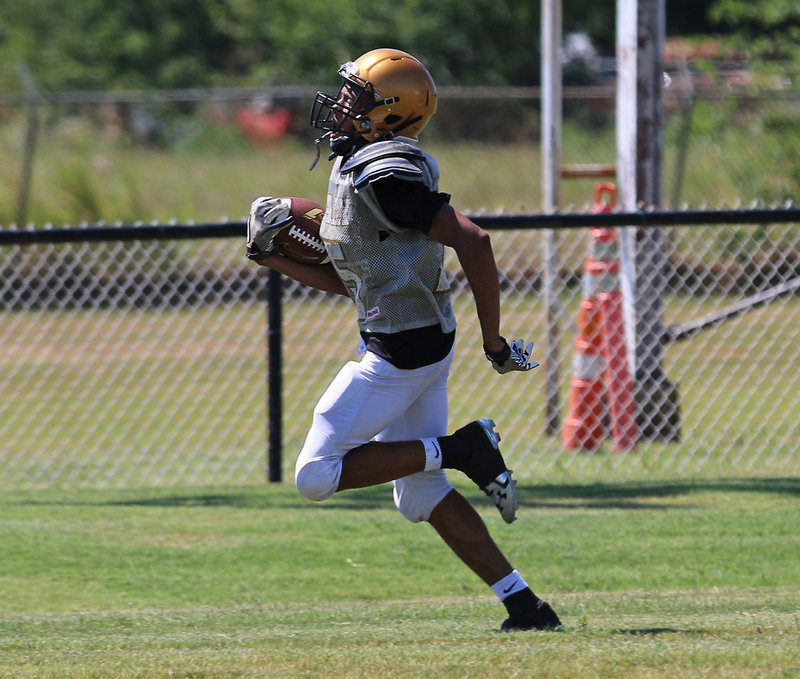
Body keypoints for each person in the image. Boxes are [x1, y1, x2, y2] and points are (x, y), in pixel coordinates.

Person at [245, 48, 561, 632]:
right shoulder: (360, 162)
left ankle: (463, 448)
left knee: (316, 476)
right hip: (418, 339)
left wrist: (495, 343)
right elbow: (355, 281)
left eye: (356, 96)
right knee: (419, 494)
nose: (341, 104)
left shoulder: (385, 173)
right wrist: (275, 259)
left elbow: (475, 241)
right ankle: (526, 608)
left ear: (390, 111)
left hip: (401, 352)